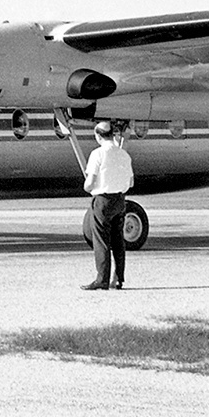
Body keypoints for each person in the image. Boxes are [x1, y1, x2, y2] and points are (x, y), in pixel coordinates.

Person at [81, 120, 134, 290]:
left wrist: (88, 187)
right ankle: (118, 279)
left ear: (98, 136)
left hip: (102, 201)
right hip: (120, 199)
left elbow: (89, 184)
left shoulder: (97, 154)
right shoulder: (124, 155)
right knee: (118, 240)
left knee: (101, 241)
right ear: (112, 135)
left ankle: (101, 280)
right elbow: (131, 182)